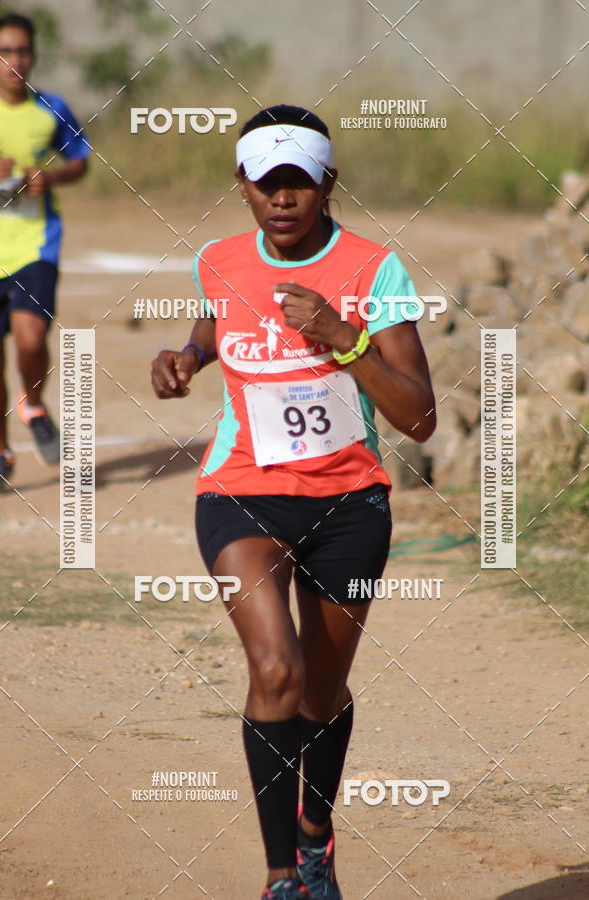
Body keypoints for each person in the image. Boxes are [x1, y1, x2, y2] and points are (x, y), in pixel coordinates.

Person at [150, 104, 436, 900]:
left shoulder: (376, 271)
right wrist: (188, 356)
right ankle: (284, 876)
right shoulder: (217, 260)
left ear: (327, 184)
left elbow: (419, 416)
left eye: (298, 183)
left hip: (350, 503)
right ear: (241, 187)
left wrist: (343, 338)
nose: (282, 198)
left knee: (320, 688)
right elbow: (218, 321)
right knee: (274, 669)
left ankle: (317, 831)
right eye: (266, 183)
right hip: (241, 491)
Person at [0, 12, 89, 493]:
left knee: (30, 338)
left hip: (36, 245)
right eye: (5, 51)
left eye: (23, 51)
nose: (15, 61)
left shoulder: (51, 108)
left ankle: (33, 405)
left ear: (33, 55)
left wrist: (48, 177)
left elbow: (81, 160)